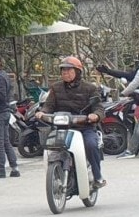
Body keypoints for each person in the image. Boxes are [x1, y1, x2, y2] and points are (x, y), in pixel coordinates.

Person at [39, 55, 104, 187]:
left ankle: (98, 177)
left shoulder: (90, 88)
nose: (65, 73)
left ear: (78, 72)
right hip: (62, 127)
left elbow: (99, 108)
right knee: (50, 146)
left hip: (84, 127)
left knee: (91, 145)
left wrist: (95, 115)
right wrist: (42, 112)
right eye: (63, 70)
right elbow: (49, 105)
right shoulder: (56, 88)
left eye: (69, 70)